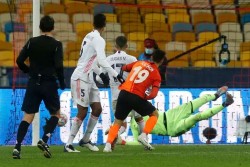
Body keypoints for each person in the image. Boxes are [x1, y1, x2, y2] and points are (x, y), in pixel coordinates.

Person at [64, 13, 124, 153]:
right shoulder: (99, 39)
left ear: (93, 24)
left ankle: (85, 139)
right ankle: (68, 144)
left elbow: (89, 61)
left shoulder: (88, 36)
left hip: (89, 78)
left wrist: (101, 73)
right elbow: (102, 61)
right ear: (105, 25)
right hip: (81, 77)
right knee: (83, 111)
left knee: (97, 109)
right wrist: (116, 74)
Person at [13, 15, 66, 159]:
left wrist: (28, 70)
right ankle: (44, 139)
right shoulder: (56, 44)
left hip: (33, 83)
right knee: (56, 114)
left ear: (39, 27)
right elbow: (59, 66)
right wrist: (62, 83)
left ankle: (17, 147)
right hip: (49, 83)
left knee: (28, 116)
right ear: (53, 28)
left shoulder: (32, 42)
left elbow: (19, 60)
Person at [103, 49, 166, 152]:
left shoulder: (139, 62)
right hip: (136, 97)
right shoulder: (156, 75)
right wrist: (145, 97)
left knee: (117, 122)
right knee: (154, 114)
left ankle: (108, 146)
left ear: (151, 57)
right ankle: (143, 135)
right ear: (162, 61)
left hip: (123, 93)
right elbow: (153, 94)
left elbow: (124, 68)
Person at [130, 86, 234, 139]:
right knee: (197, 117)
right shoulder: (134, 124)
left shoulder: (141, 107)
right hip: (172, 129)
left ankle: (215, 95)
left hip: (170, 114)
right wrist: (123, 142)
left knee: (194, 103)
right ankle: (225, 104)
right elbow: (136, 141)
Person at [98, 36, 145, 148]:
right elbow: (139, 76)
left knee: (120, 122)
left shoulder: (108, 59)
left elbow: (99, 78)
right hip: (130, 94)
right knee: (139, 118)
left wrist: (110, 82)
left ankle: (112, 139)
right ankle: (145, 141)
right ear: (126, 46)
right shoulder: (132, 59)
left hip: (115, 96)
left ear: (115, 46)